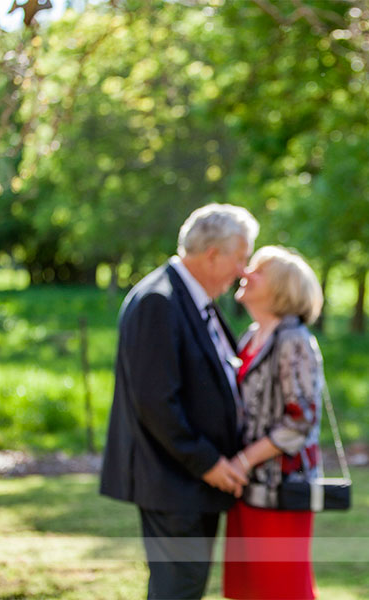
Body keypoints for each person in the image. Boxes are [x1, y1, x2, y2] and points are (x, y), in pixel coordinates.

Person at [100, 203, 259, 600]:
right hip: (174, 480)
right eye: (240, 259)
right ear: (212, 254)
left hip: (188, 480)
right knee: (179, 589)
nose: (243, 270)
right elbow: (155, 402)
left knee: (186, 587)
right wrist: (208, 463)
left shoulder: (190, 299)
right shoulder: (159, 300)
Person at [222, 245, 325, 600]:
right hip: (246, 484)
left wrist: (243, 460)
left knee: (282, 590)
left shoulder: (294, 340)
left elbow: (301, 421)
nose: (246, 273)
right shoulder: (251, 336)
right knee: (248, 590)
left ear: (281, 288)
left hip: (281, 487)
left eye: (258, 270)